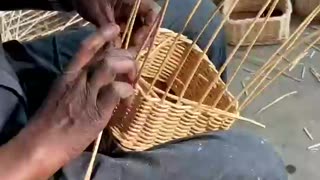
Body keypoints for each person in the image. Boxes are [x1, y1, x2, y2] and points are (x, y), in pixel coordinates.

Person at [0, 0, 287, 179]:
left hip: (9, 75)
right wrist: (38, 150)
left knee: (197, 21)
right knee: (252, 164)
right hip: (20, 161)